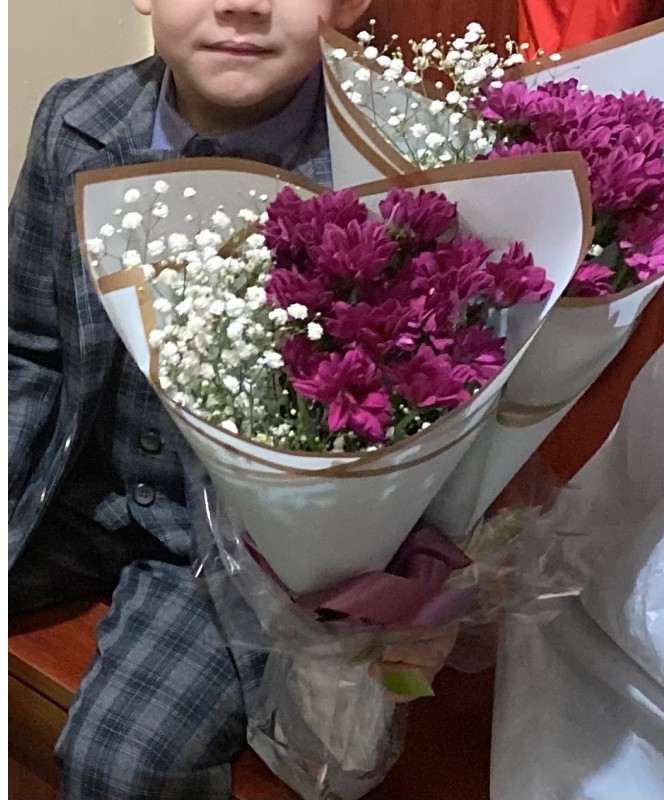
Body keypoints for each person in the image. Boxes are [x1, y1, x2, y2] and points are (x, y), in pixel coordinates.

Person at [8, 1, 457, 797]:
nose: (242, 3)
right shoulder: (78, 121)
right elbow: (27, 344)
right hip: (78, 485)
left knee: (124, 764)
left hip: (235, 551)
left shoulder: (392, 165)